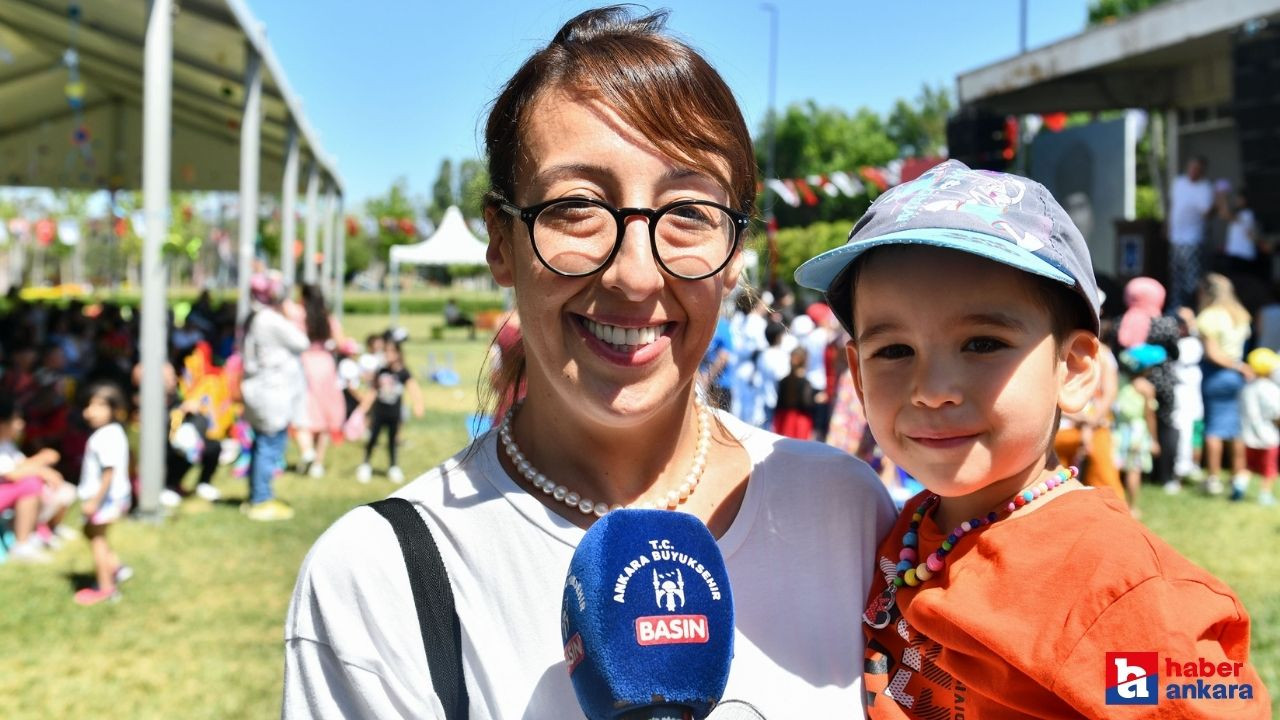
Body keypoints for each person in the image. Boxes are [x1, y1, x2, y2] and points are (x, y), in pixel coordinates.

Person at [283, 7, 894, 717]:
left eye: (690, 211)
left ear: (734, 255)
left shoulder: (847, 516)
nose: (635, 275)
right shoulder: (377, 577)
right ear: (501, 242)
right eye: (578, 207)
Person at [795, 159, 1268, 717]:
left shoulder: (1120, 589)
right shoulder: (900, 532)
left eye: (983, 343)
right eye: (894, 351)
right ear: (856, 374)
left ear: (1073, 369)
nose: (932, 389)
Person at [239, 271, 308, 521]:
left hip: (260, 390)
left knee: (261, 445)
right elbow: (301, 342)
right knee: (270, 446)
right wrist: (291, 316)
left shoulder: (255, 317)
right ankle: (261, 498)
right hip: (270, 392)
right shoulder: (269, 319)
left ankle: (258, 494)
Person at [75, 383, 134, 606]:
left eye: (99, 405)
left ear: (115, 410)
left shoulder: (104, 437)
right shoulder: (115, 432)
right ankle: (116, 567)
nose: (90, 411)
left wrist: (94, 501)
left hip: (104, 500)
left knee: (97, 539)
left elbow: (108, 472)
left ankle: (106, 588)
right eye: (89, 405)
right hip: (115, 497)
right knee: (91, 532)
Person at [1196, 272, 1253, 498]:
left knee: (1214, 428)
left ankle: (1213, 478)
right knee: (1235, 428)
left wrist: (1234, 366)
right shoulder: (1240, 314)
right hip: (1236, 375)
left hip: (1217, 374)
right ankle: (1238, 475)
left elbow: (1212, 353)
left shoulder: (1208, 316)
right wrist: (1239, 367)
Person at [294, 284, 347, 479]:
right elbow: (342, 343)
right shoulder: (328, 318)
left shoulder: (299, 317)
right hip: (325, 365)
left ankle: (306, 450)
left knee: (306, 412)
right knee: (325, 415)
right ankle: (318, 462)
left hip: (305, 364)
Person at [354, 339, 423, 485]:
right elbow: (373, 390)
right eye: (386, 351)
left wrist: (418, 404)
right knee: (372, 439)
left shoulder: (403, 372)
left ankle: (393, 467)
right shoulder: (381, 371)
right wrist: (363, 408)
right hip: (379, 413)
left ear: (398, 353)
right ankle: (365, 464)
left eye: (392, 351)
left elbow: (413, 388)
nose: (388, 354)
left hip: (394, 414)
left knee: (393, 441)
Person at [1114, 344, 1164, 518]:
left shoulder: (1119, 380)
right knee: (1134, 470)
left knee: (1116, 468)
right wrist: (1154, 439)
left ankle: (1114, 502)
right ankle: (1132, 506)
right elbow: (1149, 415)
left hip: (1119, 429)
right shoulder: (1146, 388)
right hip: (1137, 431)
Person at [1167, 155, 1214, 310]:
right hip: (1176, 239)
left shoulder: (1205, 187)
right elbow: (1173, 206)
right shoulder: (1179, 183)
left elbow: (1207, 213)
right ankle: (1176, 308)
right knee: (1176, 277)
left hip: (1192, 240)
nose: (1193, 171)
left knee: (1191, 280)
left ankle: (1191, 309)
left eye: (1197, 169)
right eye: (1191, 167)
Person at [1239, 347, 1280, 506]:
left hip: (1249, 435)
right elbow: (1276, 412)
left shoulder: (1247, 387)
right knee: (1270, 467)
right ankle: (1265, 494)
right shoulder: (1271, 389)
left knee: (1249, 465)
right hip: (1268, 436)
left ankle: (1239, 487)